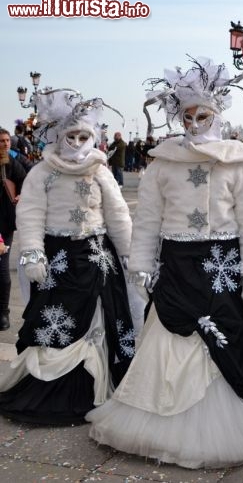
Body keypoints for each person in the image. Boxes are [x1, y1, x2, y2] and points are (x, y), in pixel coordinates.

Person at [86, 57, 243, 468]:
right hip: (178, 263)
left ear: (217, 114)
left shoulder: (237, 162)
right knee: (169, 333)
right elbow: (148, 219)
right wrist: (141, 263)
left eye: (203, 114)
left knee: (224, 332)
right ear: (179, 117)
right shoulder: (163, 162)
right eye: (188, 115)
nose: (196, 121)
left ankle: (230, 416)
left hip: (221, 261)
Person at [0, 91, 136, 424]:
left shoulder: (101, 171)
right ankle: (54, 386)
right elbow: (31, 214)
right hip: (57, 258)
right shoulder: (43, 172)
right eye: (70, 136)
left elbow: (118, 215)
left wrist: (132, 254)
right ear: (59, 137)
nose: (76, 142)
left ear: (94, 137)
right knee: (54, 319)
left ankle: (97, 384)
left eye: (83, 136)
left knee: (101, 317)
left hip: (96, 258)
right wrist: (32, 253)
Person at [0, 129, 26, 331]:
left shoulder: (13, 163)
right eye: (1, 141)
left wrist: (21, 195)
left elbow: (28, 179)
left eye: (7, 140)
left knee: (2, 268)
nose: (6, 144)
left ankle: (3, 313)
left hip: (4, 224)